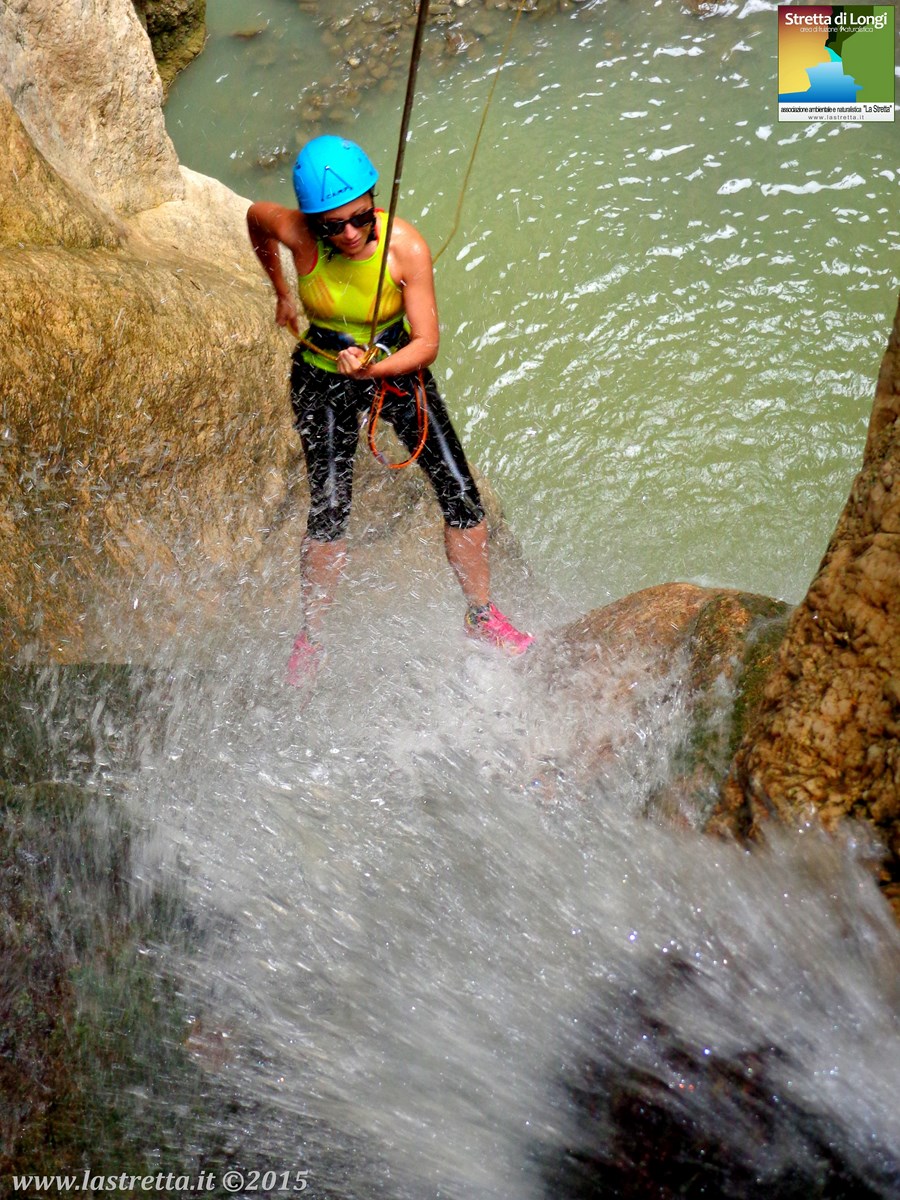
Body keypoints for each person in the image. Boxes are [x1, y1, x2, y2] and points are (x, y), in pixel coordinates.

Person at [246, 135, 533, 685]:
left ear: (375, 201)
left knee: (462, 497)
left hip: (395, 366)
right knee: (330, 509)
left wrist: (372, 371)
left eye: (360, 218)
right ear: (314, 222)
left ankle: (481, 616)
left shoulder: (406, 248)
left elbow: (426, 343)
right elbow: (256, 218)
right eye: (333, 226)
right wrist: (281, 288)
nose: (350, 234)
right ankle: (312, 638)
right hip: (322, 374)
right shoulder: (299, 234)